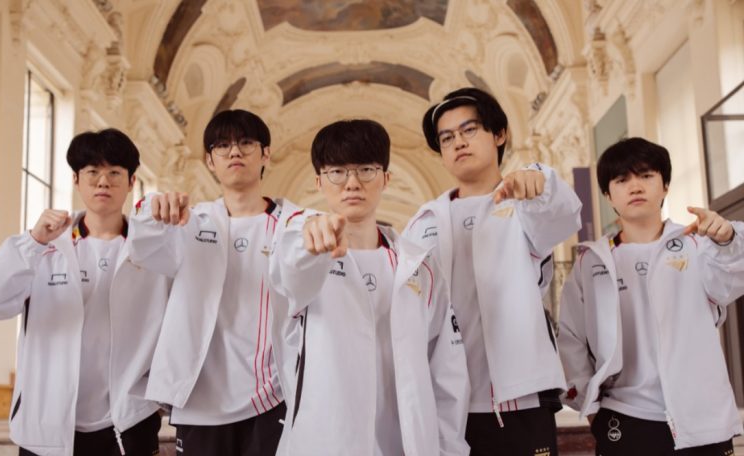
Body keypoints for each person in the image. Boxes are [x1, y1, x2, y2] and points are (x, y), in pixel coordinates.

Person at [269, 119, 470, 455]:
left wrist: (449, 449)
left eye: (366, 170)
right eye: (337, 172)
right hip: (327, 442)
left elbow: (446, 370)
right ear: (319, 181)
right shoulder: (305, 255)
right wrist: (308, 237)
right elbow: (290, 268)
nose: (352, 183)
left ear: (385, 178)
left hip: (406, 445)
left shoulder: (420, 267)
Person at [404, 87, 582, 455]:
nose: (458, 142)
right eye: (447, 138)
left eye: (469, 130)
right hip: (451, 403)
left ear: (499, 134)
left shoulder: (526, 203)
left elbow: (563, 214)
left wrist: (539, 181)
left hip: (521, 398)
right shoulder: (423, 222)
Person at [0, 129, 170, 456]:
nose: (103, 182)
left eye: (114, 173)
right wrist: (32, 243)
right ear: (76, 180)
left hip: (128, 422)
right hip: (47, 425)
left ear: (131, 182)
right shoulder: (43, 247)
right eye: (92, 172)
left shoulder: (153, 250)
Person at [558, 137, 744, 455]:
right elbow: (571, 338)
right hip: (625, 417)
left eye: (646, 176)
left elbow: (732, 280)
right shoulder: (591, 262)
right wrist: (590, 406)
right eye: (622, 180)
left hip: (700, 417)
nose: (635, 187)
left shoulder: (698, 246)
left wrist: (727, 238)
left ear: (665, 185)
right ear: (608, 195)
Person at [128, 109, 293, 455]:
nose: (234, 152)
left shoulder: (292, 225)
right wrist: (151, 211)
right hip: (200, 400)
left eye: (246, 143)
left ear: (265, 154)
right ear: (209, 160)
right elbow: (143, 251)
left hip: (269, 396)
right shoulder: (189, 222)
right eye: (222, 146)